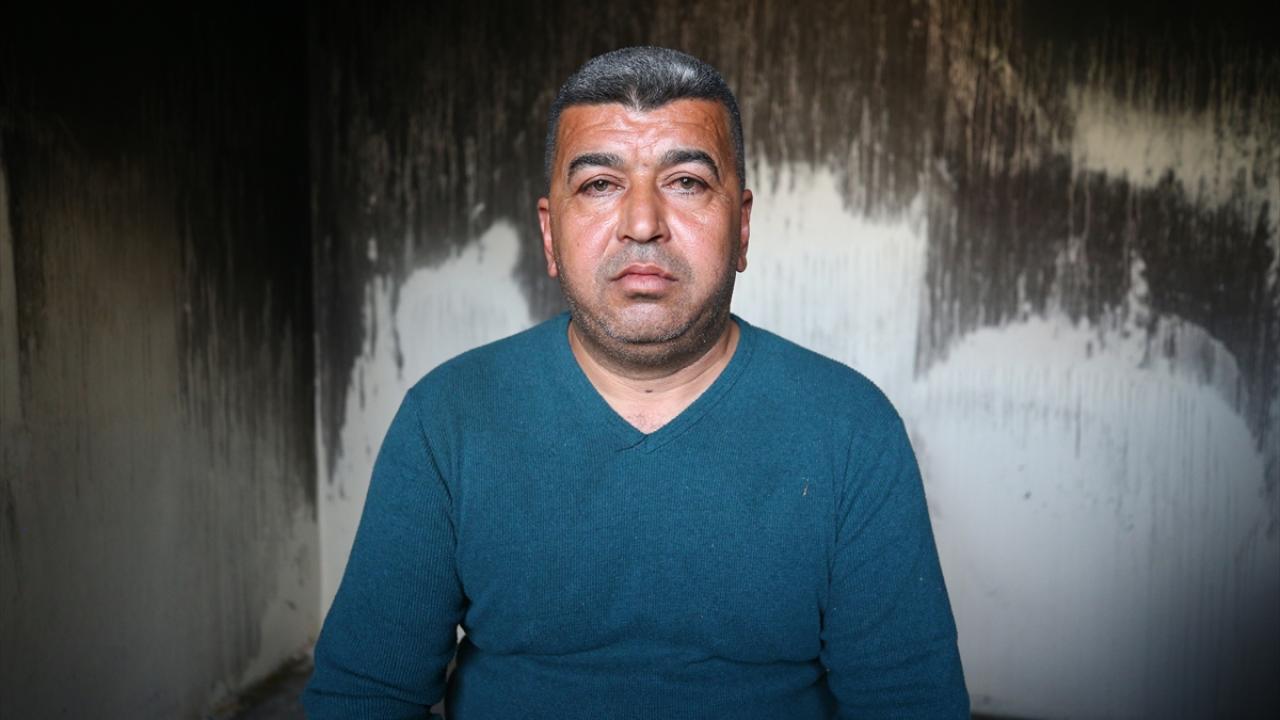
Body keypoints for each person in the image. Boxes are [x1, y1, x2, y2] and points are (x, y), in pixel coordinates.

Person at [303, 46, 968, 719]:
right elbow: (363, 696)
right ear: (549, 235)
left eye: (686, 182)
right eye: (600, 184)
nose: (643, 224)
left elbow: (910, 705)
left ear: (741, 227)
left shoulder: (851, 429)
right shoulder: (448, 418)